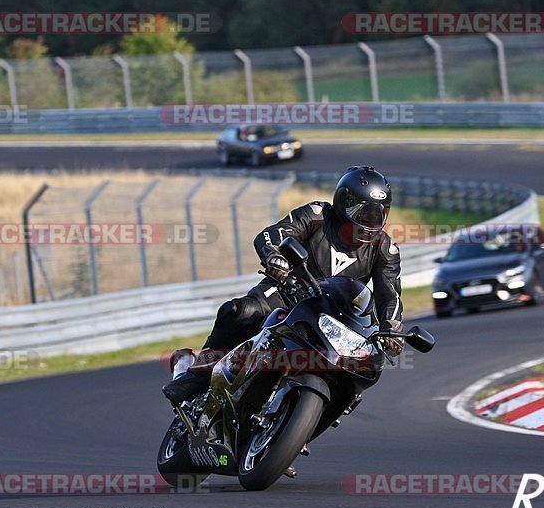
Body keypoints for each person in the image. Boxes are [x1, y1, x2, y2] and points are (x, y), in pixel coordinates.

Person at [163, 165, 404, 403]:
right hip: (287, 291)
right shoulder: (318, 215)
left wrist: (392, 327)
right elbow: (273, 233)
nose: (369, 221)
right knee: (241, 312)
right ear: (343, 203)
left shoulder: (385, 249)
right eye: (362, 213)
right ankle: (197, 375)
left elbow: (390, 293)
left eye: (377, 214)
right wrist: (273, 255)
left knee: (359, 367)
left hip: (333, 316)